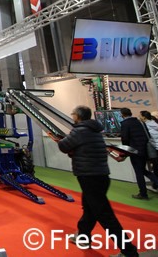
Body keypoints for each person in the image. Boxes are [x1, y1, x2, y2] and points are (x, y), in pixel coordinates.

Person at [57, 105, 139, 257]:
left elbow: (64, 146)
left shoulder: (79, 131)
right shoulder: (95, 131)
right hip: (101, 175)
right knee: (89, 209)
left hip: (89, 177)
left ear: (78, 116)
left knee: (105, 215)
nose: (72, 116)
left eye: (73, 114)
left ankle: (129, 251)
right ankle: (83, 236)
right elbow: (85, 150)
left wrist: (60, 140)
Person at [120, 107, 158, 199]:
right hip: (144, 150)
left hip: (134, 151)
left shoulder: (125, 124)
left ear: (122, 115)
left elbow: (125, 139)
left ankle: (143, 193)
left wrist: (125, 152)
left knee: (139, 172)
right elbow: (147, 135)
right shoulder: (139, 122)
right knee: (143, 170)